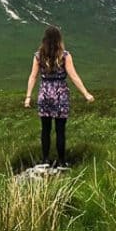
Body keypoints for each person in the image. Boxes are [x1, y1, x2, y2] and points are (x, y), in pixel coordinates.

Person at [24, 26, 94, 167]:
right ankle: (62, 161)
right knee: (60, 130)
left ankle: (45, 160)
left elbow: (33, 76)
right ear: (59, 39)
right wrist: (86, 94)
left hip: (44, 94)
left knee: (45, 129)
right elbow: (73, 76)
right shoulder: (65, 56)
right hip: (60, 94)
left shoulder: (38, 56)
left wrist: (28, 97)